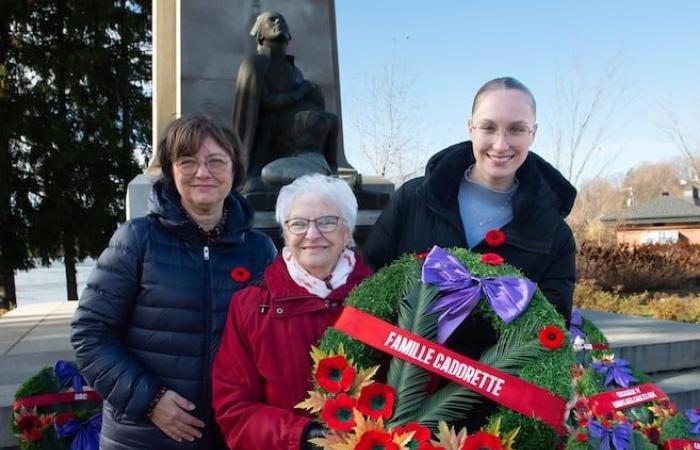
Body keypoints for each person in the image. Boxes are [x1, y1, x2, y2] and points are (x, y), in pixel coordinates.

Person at [71, 115, 276, 450]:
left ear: (235, 170)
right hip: (143, 437)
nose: (202, 172)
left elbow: (273, 338)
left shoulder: (259, 250)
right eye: (188, 162)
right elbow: (90, 334)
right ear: (171, 170)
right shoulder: (137, 240)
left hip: (230, 436)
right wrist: (150, 400)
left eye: (215, 161)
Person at [363, 76, 577, 361]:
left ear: (533, 134)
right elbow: (368, 286)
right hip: (399, 390)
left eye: (516, 129)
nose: (501, 145)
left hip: (497, 397)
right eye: (488, 127)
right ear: (471, 128)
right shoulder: (412, 200)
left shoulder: (554, 234)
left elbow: (549, 329)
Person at [212, 174, 372, 450]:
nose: (312, 234)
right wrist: (301, 437)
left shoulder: (384, 301)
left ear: (347, 231)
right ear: (285, 233)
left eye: (327, 222)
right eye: (298, 223)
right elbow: (234, 408)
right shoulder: (250, 307)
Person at [232, 11, 340, 191]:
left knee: (332, 119)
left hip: (298, 133)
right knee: (270, 125)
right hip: (273, 131)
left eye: (282, 20)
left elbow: (305, 99)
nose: (278, 23)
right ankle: (258, 174)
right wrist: (298, 94)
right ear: (260, 34)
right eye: (272, 20)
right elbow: (263, 103)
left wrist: (313, 93)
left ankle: (332, 174)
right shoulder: (255, 63)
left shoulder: (294, 71)